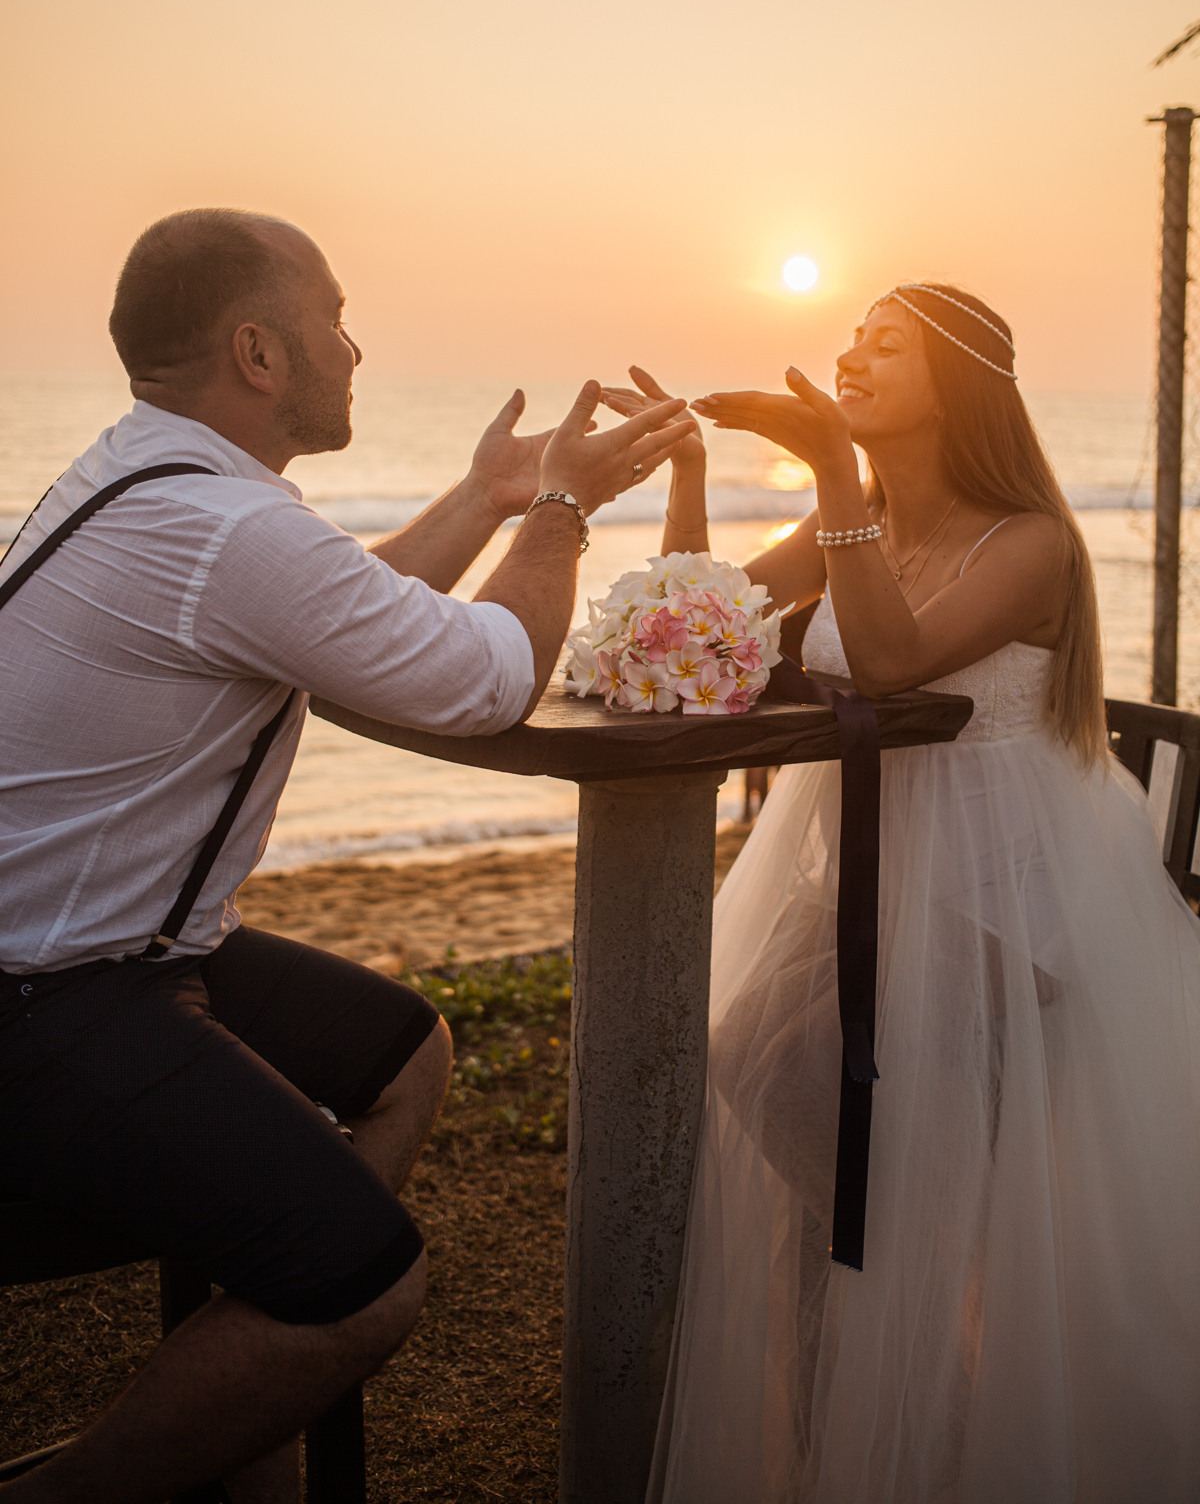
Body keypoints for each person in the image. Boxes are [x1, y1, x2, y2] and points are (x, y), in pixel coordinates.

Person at [0, 207, 690, 1504]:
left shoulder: (161, 479)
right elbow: (485, 677)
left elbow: (350, 600)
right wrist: (558, 506)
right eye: (335, 315)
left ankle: (254, 1381)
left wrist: (489, 496)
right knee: (368, 1286)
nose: (357, 347)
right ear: (259, 352)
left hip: (127, 951)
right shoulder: (223, 527)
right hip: (44, 992)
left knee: (402, 1053)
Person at [603, 289, 1200, 1503]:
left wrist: (825, 465)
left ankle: (912, 1346)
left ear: (963, 386)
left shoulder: (1026, 537)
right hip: (874, 874)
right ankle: (885, 1334)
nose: (851, 356)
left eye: (888, 345)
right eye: (853, 339)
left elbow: (886, 658)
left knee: (854, 1134)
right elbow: (704, 610)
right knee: (755, 1061)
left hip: (1010, 897)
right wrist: (691, 471)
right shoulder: (866, 514)